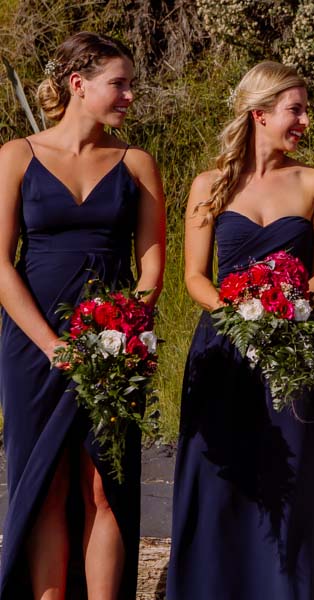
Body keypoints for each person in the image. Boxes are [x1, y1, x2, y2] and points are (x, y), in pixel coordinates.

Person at [167, 61, 314, 599]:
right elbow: (194, 275)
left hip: (291, 346)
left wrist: (286, 311)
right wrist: (236, 313)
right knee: (223, 475)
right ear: (260, 114)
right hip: (223, 347)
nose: (305, 121)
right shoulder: (209, 185)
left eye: (305, 110)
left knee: (292, 473)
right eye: (296, 110)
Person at [0, 31, 166, 600]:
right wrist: (51, 345)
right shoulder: (16, 156)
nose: (129, 96)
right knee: (45, 484)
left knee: (104, 486)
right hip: (33, 346)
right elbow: (0, 263)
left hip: (114, 348)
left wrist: (122, 333)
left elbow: (151, 267)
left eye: (130, 85)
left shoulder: (137, 163)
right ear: (78, 84)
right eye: (118, 84)